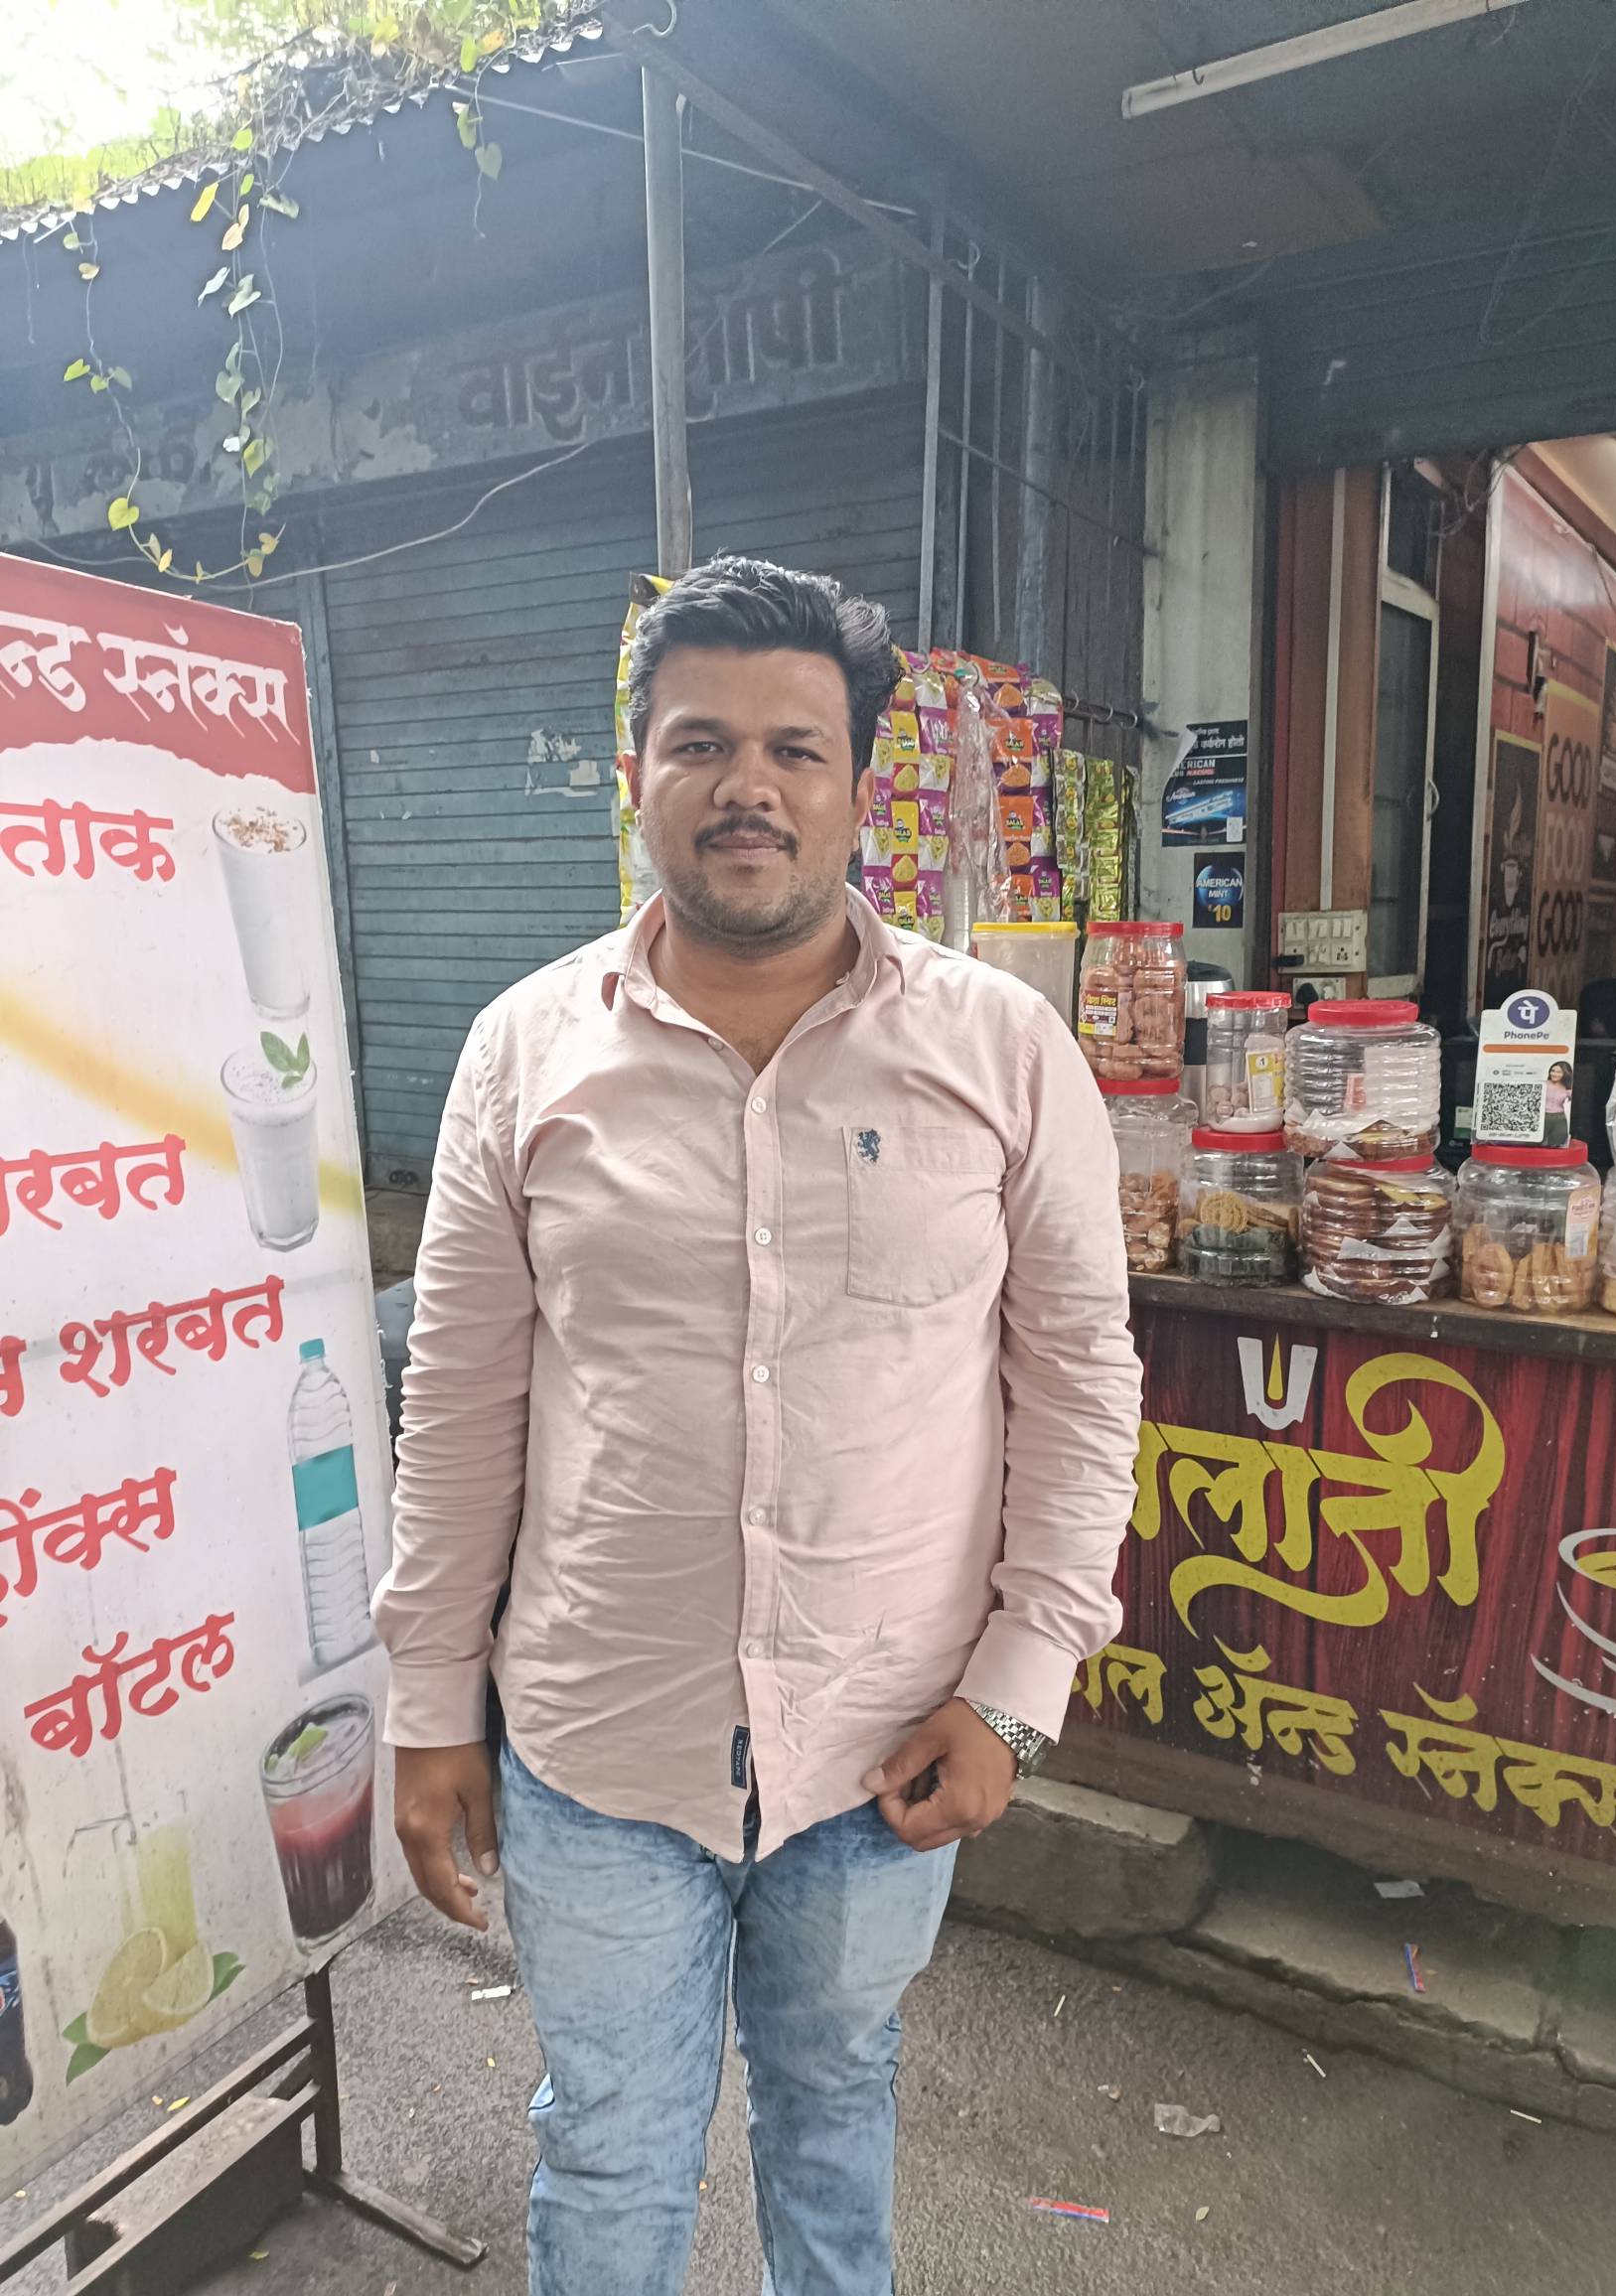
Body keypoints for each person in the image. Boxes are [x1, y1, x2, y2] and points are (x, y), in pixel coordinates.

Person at [375, 555, 1141, 2296]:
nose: (748, 787)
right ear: (634, 772)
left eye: (795, 749)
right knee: (606, 2146)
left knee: (835, 2104)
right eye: (699, 743)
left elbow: (1081, 1383)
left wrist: (1017, 1690)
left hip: (883, 1742)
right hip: (596, 1748)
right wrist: (429, 1703)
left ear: (856, 783)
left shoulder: (1002, 1048)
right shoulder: (522, 1053)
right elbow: (463, 1397)